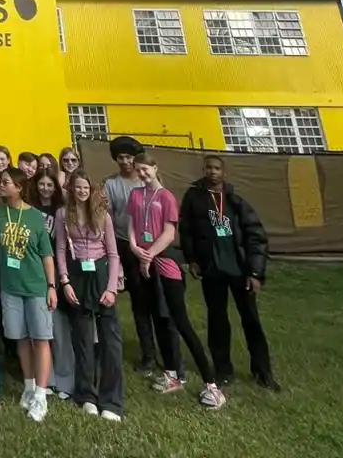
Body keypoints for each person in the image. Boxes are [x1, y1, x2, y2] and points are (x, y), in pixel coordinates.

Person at [128, 152, 226, 409]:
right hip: (144, 262)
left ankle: (211, 384)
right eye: (138, 170)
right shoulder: (136, 195)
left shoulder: (167, 197)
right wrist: (136, 249)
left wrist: (149, 254)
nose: (142, 174)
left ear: (155, 168)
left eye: (145, 169)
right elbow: (131, 226)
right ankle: (171, 374)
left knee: (180, 321)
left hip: (164, 263)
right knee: (159, 319)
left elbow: (169, 233)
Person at [179, 154, 279, 390]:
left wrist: (255, 273)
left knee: (251, 320)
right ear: (203, 169)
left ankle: (262, 371)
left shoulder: (235, 201)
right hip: (212, 269)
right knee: (217, 320)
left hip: (239, 270)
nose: (212, 171)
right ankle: (223, 369)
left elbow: (256, 235)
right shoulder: (194, 197)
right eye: (208, 168)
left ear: (224, 172)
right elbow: (186, 231)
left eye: (217, 168)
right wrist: (192, 259)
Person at [55, 172, 124, 421]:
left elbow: (114, 254)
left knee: (110, 341)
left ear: (91, 189)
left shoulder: (102, 215)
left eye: (85, 187)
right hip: (77, 275)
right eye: (77, 187)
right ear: (71, 190)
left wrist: (112, 288)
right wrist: (65, 282)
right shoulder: (63, 215)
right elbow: (61, 250)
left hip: (101, 273)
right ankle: (86, 395)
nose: (82, 191)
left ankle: (112, 401)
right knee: (83, 340)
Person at [0, 166, 56, 423]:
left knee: (40, 339)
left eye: (6, 182)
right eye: (1, 182)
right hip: (10, 288)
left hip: (35, 287)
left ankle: (41, 394)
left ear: (18, 187)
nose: (2, 185)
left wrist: (52, 286)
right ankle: (29, 385)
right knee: (19, 338)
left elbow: (47, 255)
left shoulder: (34, 218)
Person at [103, 136, 161, 374]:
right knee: (136, 301)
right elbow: (107, 216)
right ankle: (147, 354)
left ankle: (163, 351)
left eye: (130, 157)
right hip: (123, 246)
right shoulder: (111, 184)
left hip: (150, 246)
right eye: (121, 157)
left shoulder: (148, 180)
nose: (126, 161)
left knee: (155, 301)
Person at [30, 170, 74, 401]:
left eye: (49, 184)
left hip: (55, 271)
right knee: (41, 329)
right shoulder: (29, 208)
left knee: (60, 327)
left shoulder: (61, 211)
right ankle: (48, 378)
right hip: (32, 272)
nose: (45, 188)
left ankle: (66, 378)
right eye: (41, 184)